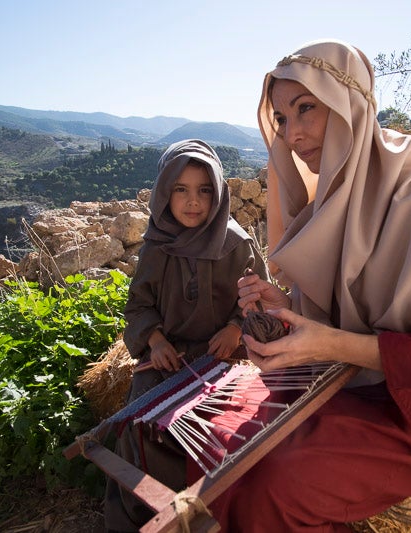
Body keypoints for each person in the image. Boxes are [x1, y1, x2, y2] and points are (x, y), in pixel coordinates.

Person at [205, 39, 411, 532]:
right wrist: (288, 307)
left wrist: (329, 343)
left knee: (273, 483)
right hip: (344, 388)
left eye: (306, 108)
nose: (292, 133)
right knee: (221, 441)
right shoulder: (327, 206)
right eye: (281, 118)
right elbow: (351, 318)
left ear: (349, 105)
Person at [103, 139, 269, 531]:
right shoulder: (157, 246)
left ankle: (215, 507)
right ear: (165, 192)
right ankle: (150, 517)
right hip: (169, 359)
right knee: (139, 427)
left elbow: (258, 303)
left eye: (204, 190)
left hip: (224, 358)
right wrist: (156, 341)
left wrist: (235, 329)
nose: (193, 202)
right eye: (181, 190)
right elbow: (139, 308)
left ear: (218, 193)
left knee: (231, 429)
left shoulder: (236, 245)